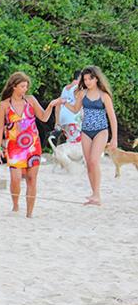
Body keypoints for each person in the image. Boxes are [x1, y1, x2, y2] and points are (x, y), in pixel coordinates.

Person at [0, 72, 61, 218]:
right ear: (14, 87)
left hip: (33, 145)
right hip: (14, 146)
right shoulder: (4, 105)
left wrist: (51, 106)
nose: (25, 89)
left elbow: (43, 117)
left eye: (26, 86)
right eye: (22, 86)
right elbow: (0, 127)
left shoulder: (30, 100)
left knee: (32, 179)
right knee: (16, 178)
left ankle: (29, 213)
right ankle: (16, 206)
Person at [60, 65, 118, 206]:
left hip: (101, 131)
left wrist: (114, 138)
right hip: (85, 131)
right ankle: (94, 194)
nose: (88, 82)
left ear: (97, 79)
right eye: (85, 79)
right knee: (89, 164)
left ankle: (97, 194)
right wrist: (64, 102)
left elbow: (112, 117)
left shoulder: (104, 95)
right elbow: (75, 109)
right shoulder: (82, 94)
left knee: (93, 160)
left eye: (90, 79)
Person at [55, 69, 82, 144]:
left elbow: (58, 104)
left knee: (70, 140)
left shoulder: (65, 88)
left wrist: (57, 121)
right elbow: (81, 103)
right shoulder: (78, 88)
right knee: (75, 143)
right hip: (73, 119)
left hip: (63, 119)